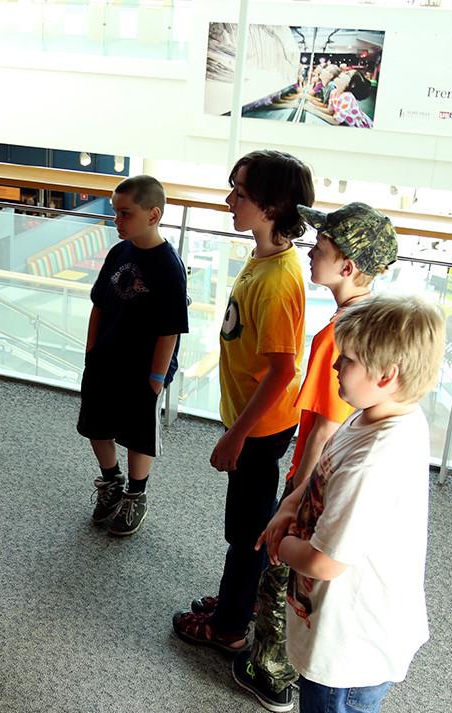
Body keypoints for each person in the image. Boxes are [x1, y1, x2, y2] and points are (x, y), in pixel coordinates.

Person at [241, 294, 445, 713]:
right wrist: (291, 504)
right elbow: (322, 472)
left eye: (346, 360)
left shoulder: (378, 459)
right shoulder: (377, 415)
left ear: (386, 375)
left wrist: (281, 546)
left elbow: (328, 560)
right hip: (348, 624)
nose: (334, 369)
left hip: (356, 633)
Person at [231, 202, 400, 713]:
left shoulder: (338, 336)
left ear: (347, 266)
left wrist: (297, 493)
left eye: (320, 248)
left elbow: (328, 421)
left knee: (277, 573)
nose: (309, 252)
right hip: (328, 474)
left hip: (315, 475)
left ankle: (271, 672)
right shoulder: (369, 318)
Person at [172, 149, 313, 649]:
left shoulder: (277, 282)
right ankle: (238, 598)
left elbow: (281, 371)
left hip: (259, 428)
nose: (230, 200)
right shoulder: (265, 257)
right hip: (253, 424)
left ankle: (230, 626)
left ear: (272, 207)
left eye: (242, 194)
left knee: (246, 530)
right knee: (245, 521)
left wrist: (236, 434)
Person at [77, 175, 189, 537]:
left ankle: (136, 493)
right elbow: (99, 305)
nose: (117, 220)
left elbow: (170, 328)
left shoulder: (169, 266)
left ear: (153, 214)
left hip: (143, 368)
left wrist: (156, 379)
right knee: (96, 423)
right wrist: (91, 350)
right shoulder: (118, 252)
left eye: (125, 213)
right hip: (106, 357)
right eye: (115, 212)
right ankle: (111, 481)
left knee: (137, 434)